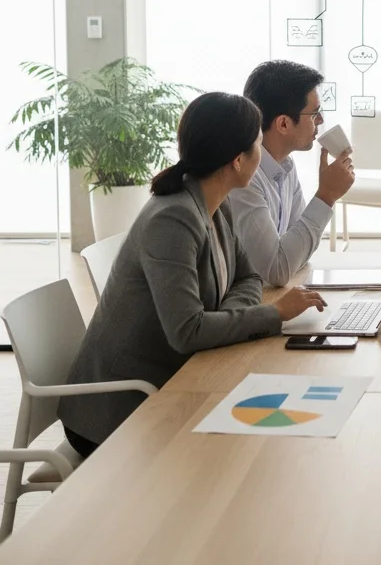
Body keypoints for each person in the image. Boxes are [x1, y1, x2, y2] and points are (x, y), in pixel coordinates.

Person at [58, 92, 327, 457]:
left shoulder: (215, 201)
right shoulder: (173, 218)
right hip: (117, 411)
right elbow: (187, 332)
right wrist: (274, 313)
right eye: (258, 145)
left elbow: (247, 278)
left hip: (171, 383)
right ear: (237, 160)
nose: (262, 153)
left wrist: (226, 318)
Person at [229, 61, 355, 287]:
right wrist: (326, 197)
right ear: (284, 124)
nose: (321, 120)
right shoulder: (244, 178)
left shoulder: (286, 166)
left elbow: (297, 252)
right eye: (314, 113)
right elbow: (277, 271)